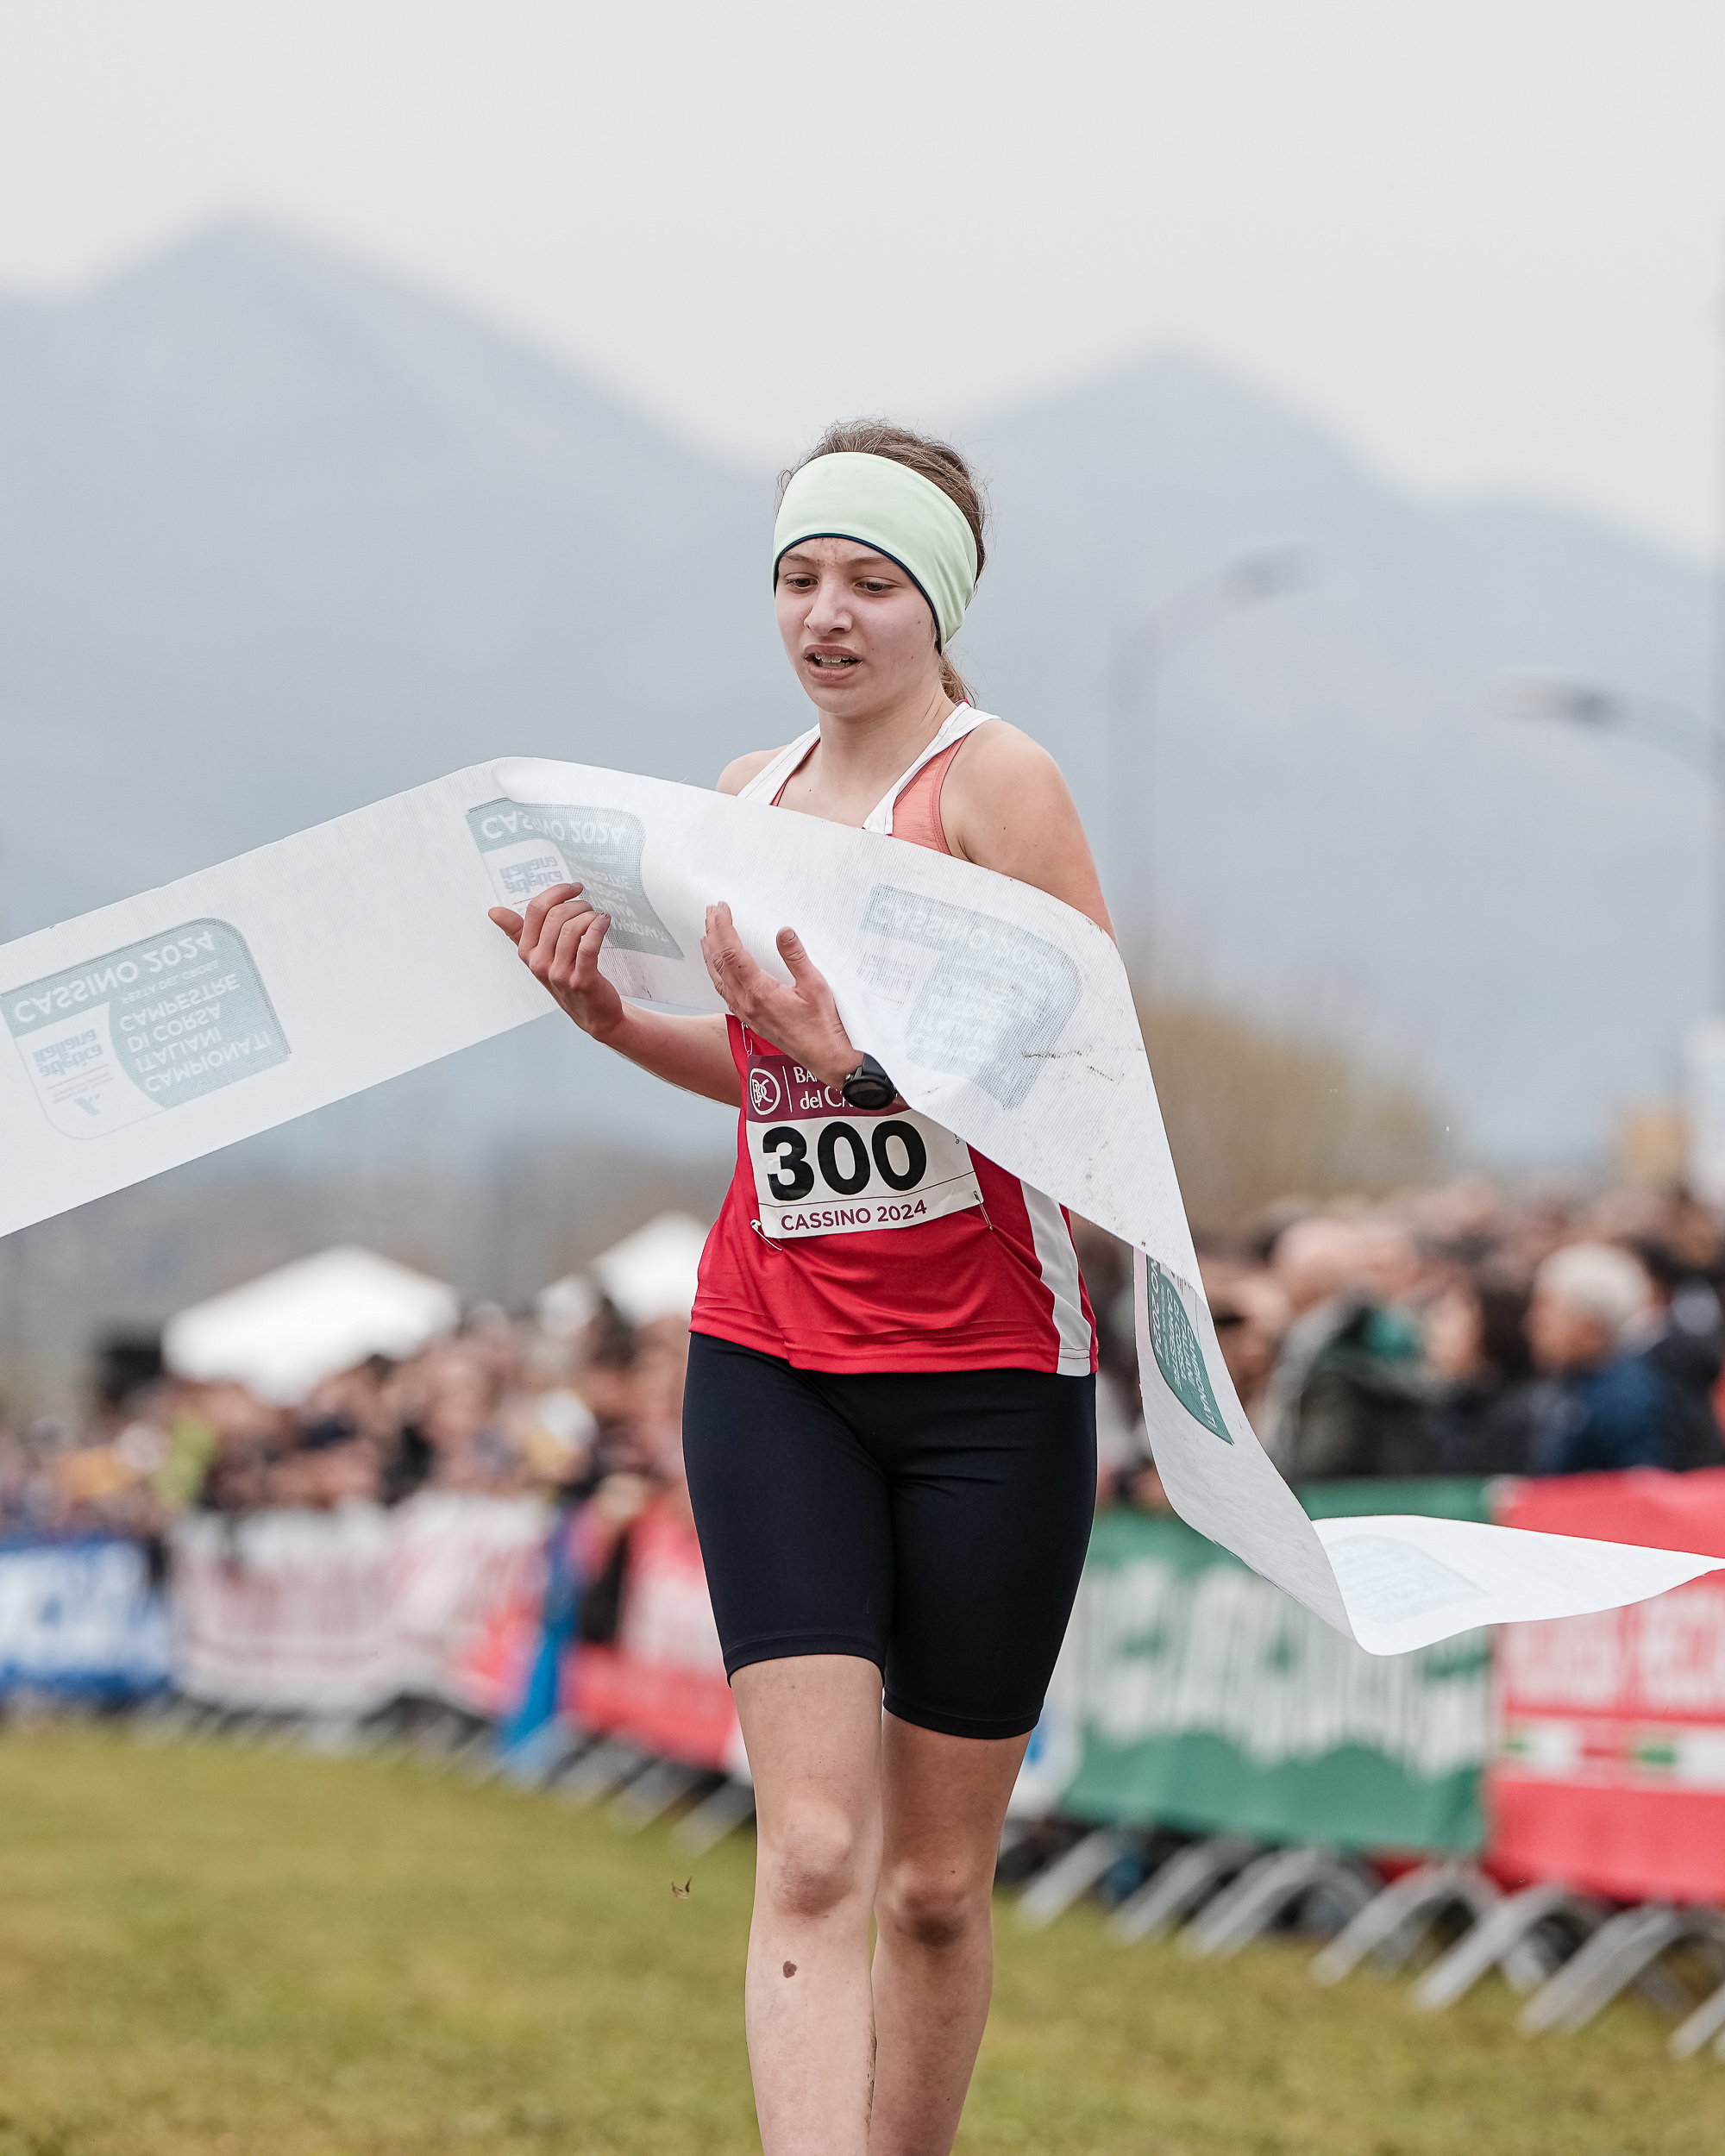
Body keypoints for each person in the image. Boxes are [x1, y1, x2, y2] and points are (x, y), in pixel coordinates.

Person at [488, 423, 1107, 2156]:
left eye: (871, 583)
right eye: (799, 578)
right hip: (774, 1357)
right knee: (816, 1847)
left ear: (942, 603)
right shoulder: (743, 795)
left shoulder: (998, 787)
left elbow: (1091, 1078)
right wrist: (616, 1020)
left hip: (993, 1376)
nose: (827, 615)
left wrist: (872, 1069)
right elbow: (766, 1065)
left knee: (931, 1884)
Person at [1525, 1242, 1673, 1474]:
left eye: (1548, 1309)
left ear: (1591, 1323)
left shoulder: (1625, 1399)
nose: (1533, 1323)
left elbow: (1638, 1483)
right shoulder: (1568, 1382)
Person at [1422, 1270, 1539, 1475]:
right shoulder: (1452, 1406)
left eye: (1447, 1316)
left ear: (1489, 1323)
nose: (1434, 1329)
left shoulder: (1529, 1413)